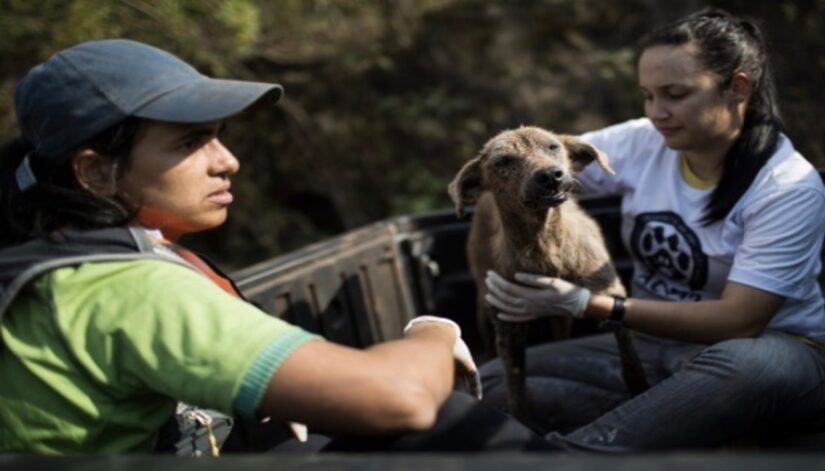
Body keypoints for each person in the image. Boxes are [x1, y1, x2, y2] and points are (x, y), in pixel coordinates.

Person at [0, 39, 552, 455]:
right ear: (96, 172)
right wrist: (435, 331)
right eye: (192, 142)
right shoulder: (123, 288)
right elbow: (400, 394)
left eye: (218, 135)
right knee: (452, 421)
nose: (228, 160)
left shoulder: (52, 263)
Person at [480, 8, 825, 451]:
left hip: (769, 352)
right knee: (490, 379)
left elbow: (740, 320)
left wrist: (587, 303)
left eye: (674, 94)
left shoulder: (786, 187)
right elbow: (541, 165)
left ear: (738, 88)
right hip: (653, 348)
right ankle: (672, 428)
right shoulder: (645, 139)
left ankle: (571, 456)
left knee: (750, 367)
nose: (657, 113)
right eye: (648, 95)